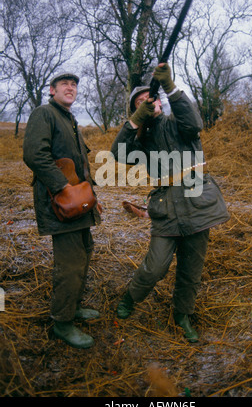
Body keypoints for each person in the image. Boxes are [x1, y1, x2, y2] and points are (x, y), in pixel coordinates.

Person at [111, 63, 230, 342]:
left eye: (150, 99)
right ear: (137, 110)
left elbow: (194, 122)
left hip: (197, 204)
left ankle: (182, 316)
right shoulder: (141, 142)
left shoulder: (178, 123)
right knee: (155, 267)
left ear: (161, 104)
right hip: (166, 209)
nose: (147, 102)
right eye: (140, 102)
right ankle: (130, 299)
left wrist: (170, 87)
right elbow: (118, 152)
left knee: (191, 270)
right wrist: (133, 123)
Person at [23, 72, 102, 349]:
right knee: (69, 265)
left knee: (83, 255)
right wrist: (63, 189)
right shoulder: (44, 114)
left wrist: (91, 196)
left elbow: (79, 165)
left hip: (79, 205)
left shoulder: (70, 119)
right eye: (64, 84)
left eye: (74, 85)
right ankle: (62, 323)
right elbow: (34, 155)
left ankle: (74, 307)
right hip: (60, 205)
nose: (71, 87)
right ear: (52, 90)